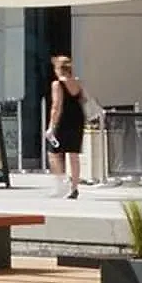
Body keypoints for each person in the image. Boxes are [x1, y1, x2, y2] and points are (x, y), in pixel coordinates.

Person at [46, 54, 87, 200]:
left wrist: (51, 126)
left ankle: (60, 183)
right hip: (77, 119)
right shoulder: (77, 83)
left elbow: (56, 106)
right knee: (73, 154)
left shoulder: (57, 84)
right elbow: (83, 100)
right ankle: (74, 188)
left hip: (63, 120)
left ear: (58, 69)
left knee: (53, 152)